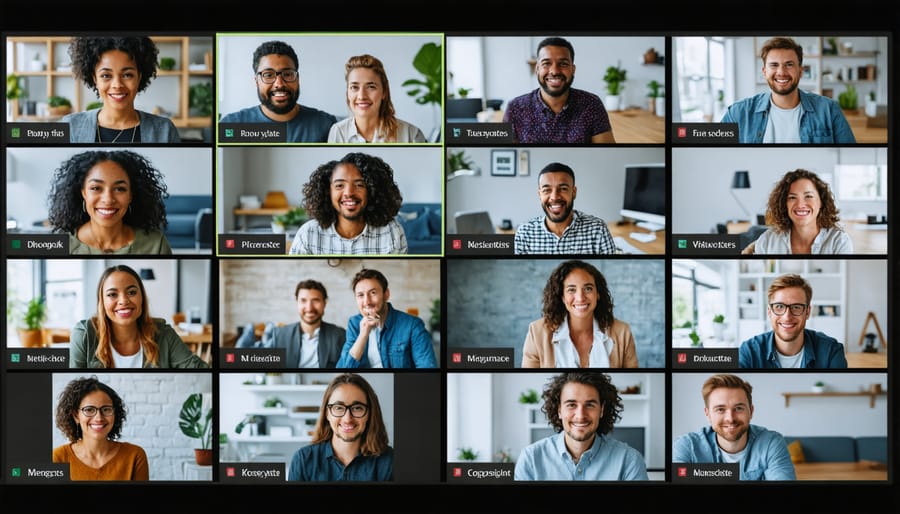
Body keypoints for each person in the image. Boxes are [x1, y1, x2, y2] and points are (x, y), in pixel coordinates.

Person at [514, 371, 648, 481]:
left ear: (601, 410)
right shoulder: (531, 458)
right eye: (571, 405)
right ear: (559, 410)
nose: (580, 415)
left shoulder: (629, 460)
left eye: (590, 405)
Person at [69, 265, 208, 369]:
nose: (123, 301)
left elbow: (199, 368)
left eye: (131, 292)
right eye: (112, 294)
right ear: (102, 302)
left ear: (142, 297)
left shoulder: (163, 333)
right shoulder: (84, 334)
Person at [721, 36, 855, 144]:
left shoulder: (829, 110)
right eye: (774, 65)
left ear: (801, 71)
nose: (781, 72)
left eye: (789, 65)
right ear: (764, 71)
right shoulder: (738, 113)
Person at [46, 150, 173, 255]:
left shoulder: (156, 244)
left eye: (119, 189)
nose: (108, 199)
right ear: (83, 193)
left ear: (131, 195)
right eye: (96, 188)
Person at [672, 373, 796, 480]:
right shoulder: (687, 447)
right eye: (720, 409)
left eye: (738, 408)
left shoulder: (771, 443)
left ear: (751, 411)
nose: (730, 418)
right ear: (708, 414)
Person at [63, 36, 180, 143]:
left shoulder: (165, 131)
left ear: (139, 77)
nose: (117, 85)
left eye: (127, 75)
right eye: (106, 75)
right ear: (94, 78)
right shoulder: (69, 126)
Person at [522, 260, 639, 368]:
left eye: (588, 289)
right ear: (562, 296)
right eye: (571, 290)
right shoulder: (536, 332)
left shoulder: (623, 332)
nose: (580, 298)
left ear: (598, 294)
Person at [290, 152, 408, 255]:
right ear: (327, 192)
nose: (349, 193)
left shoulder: (392, 231)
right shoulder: (308, 234)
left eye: (359, 185)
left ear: (372, 191)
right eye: (339, 185)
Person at [219, 40, 337, 143]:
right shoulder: (231, 125)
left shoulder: (326, 125)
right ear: (256, 81)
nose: (279, 84)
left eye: (287, 74)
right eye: (268, 75)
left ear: (298, 78)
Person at [503, 37, 615, 144]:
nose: (555, 71)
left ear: (573, 69)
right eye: (546, 63)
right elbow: (506, 152)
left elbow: (609, 152)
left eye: (563, 64)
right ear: (537, 69)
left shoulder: (591, 104)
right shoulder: (515, 108)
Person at [288, 373, 393, 481]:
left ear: (370, 413)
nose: (347, 419)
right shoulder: (303, 460)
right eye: (338, 408)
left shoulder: (390, 461)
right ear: (327, 413)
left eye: (357, 408)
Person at [739, 273, 847, 369]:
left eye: (796, 307)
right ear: (769, 312)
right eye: (779, 306)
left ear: (807, 312)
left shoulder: (831, 351)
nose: (787, 317)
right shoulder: (748, 352)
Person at [52, 376, 149, 480]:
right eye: (89, 410)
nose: (99, 418)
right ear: (76, 416)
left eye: (106, 409)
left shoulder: (134, 455)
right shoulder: (58, 458)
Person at [337, 268, 437, 369]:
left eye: (373, 293)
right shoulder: (354, 324)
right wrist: (363, 334)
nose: (367, 301)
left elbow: (427, 368)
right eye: (360, 295)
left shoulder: (412, 325)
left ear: (386, 294)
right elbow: (344, 369)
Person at [235, 279, 346, 368]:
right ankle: (251, 328)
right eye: (303, 300)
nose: (309, 308)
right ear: (297, 302)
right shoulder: (281, 334)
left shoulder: (339, 335)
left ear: (324, 303)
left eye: (315, 300)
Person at [743, 168, 853, 254]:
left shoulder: (839, 241)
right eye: (792, 197)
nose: (800, 204)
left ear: (821, 202)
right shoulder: (767, 240)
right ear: (784, 204)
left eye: (808, 196)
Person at [514, 162, 617, 254]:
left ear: (574, 192)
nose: (554, 197)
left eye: (563, 188)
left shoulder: (598, 229)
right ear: (539, 194)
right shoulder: (524, 233)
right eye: (547, 190)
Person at [328, 54, 427, 143]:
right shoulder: (338, 131)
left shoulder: (411, 135)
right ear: (347, 93)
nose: (362, 96)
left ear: (384, 92)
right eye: (354, 87)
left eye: (371, 87)